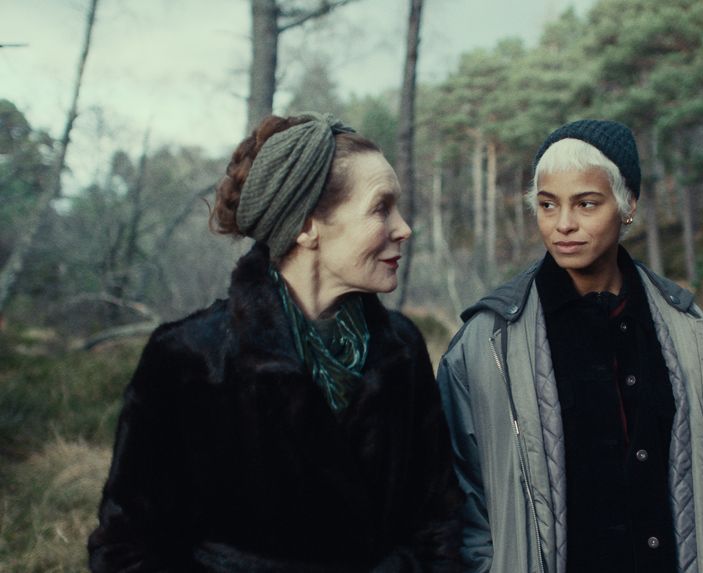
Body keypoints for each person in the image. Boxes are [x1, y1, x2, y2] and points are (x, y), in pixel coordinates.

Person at [89, 112, 462, 572]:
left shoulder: (400, 348)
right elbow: (127, 546)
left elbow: (437, 520)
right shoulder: (190, 358)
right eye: (381, 207)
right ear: (307, 226)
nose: (404, 227)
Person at [437, 119, 703, 573]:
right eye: (548, 205)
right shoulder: (486, 343)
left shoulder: (689, 328)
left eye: (586, 204)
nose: (563, 224)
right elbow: (456, 497)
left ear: (628, 205)